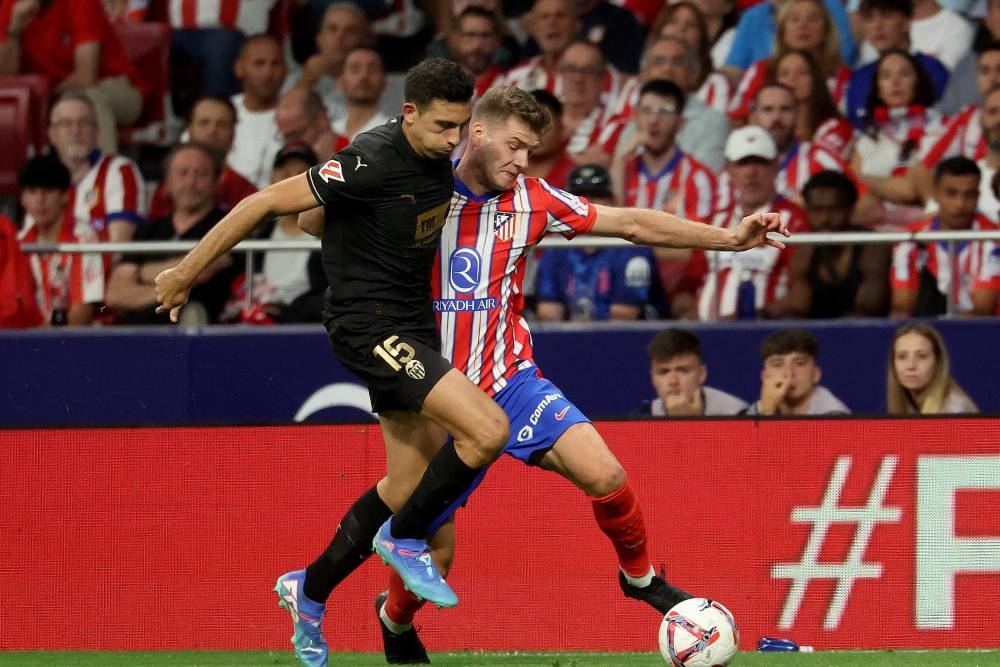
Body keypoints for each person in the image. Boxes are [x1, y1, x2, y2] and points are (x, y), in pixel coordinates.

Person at [344, 85, 788, 663]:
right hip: (439, 397)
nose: (523, 162)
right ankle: (395, 623)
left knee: (605, 474)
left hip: (511, 381)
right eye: (516, 146)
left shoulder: (534, 200)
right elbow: (325, 224)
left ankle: (640, 579)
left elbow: (630, 223)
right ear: (477, 132)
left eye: (531, 151)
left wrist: (727, 239)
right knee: (435, 553)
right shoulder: (418, 191)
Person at [154, 59, 507, 667]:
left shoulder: (442, 155)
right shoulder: (370, 157)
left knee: (415, 499)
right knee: (489, 430)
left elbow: (311, 216)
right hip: (367, 326)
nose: (454, 140)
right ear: (411, 113)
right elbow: (267, 204)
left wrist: (333, 213)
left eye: (462, 126)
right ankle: (398, 540)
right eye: (444, 126)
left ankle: (309, 592)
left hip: (412, 327)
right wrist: (185, 272)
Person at [107, 143, 240, 325]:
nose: (191, 182)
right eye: (182, 173)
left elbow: (201, 270)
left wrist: (139, 273)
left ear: (216, 182)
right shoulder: (147, 231)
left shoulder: (229, 225)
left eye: (201, 174)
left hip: (200, 338)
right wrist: (176, 291)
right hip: (140, 337)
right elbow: (115, 294)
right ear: (167, 182)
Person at [0, 0, 146, 153]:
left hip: (115, 88)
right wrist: (14, 33)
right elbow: (6, 79)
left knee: (82, 102)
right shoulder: (10, 6)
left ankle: (100, 174)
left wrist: (44, 98)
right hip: (53, 96)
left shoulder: (83, 3)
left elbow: (86, 77)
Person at [534, 164, 667, 321]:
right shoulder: (555, 250)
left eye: (596, 195)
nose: (586, 205)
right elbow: (549, 316)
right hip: (572, 341)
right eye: (578, 197)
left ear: (612, 202)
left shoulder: (632, 250)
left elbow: (623, 320)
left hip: (631, 343)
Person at [889, 156, 1000, 317]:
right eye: (951, 193)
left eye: (969, 195)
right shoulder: (910, 241)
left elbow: (982, 311)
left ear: (978, 196)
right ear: (935, 193)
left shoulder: (994, 240)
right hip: (925, 331)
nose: (960, 204)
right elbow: (901, 308)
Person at [775, 170, 891, 318]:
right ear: (807, 211)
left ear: (850, 209)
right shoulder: (804, 253)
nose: (825, 218)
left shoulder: (872, 247)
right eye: (817, 210)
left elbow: (868, 310)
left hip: (866, 334)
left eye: (834, 209)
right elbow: (798, 310)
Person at [16, 154, 106, 327]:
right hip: (30, 342)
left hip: (79, 342)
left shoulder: (85, 240)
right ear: (22, 198)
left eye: (48, 191)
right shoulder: (18, 243)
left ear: (66, 195)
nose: (40, 200)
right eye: (32, 191)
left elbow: (82, 315)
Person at [45, 92, 147, 243]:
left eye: (83, 123)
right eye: (66, 124)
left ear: (97, 132)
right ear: (52, 135)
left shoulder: (120, 171)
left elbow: (118, 247)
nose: (75, 131)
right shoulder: (42, 177)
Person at [148, 95, 258, 220]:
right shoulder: (167, 189)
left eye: (222, 125)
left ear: (233, 133)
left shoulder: (246, 193)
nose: (212, 131)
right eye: (203, 123)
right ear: (189, 130)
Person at [632, 328, 748, 416]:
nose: (673, 381)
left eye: (683, 370)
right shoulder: (642, 417)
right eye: (663, 372)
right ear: (653, 379)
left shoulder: (736, 414)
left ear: (701, 374)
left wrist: (688, 423)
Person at [741, 327, 850, 415]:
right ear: (764, 377)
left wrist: (767, 414)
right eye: (777, 364)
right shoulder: (759, 408)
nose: (789, 373)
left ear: (816, 374)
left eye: (799, 363)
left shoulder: (835, 416)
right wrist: (766, 410)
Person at [228, 34, 287, 189]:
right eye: (259, 64)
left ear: (286, 69)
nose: (268, 73)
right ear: (239, 68)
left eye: (275, 64)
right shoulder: (219, 113)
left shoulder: (297, 116)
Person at [887, 322, 978, 414]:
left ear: (937, 362)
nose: (911, 366)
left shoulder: (954, 408)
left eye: (922, 356)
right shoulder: (908, 405)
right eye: (902, 357)